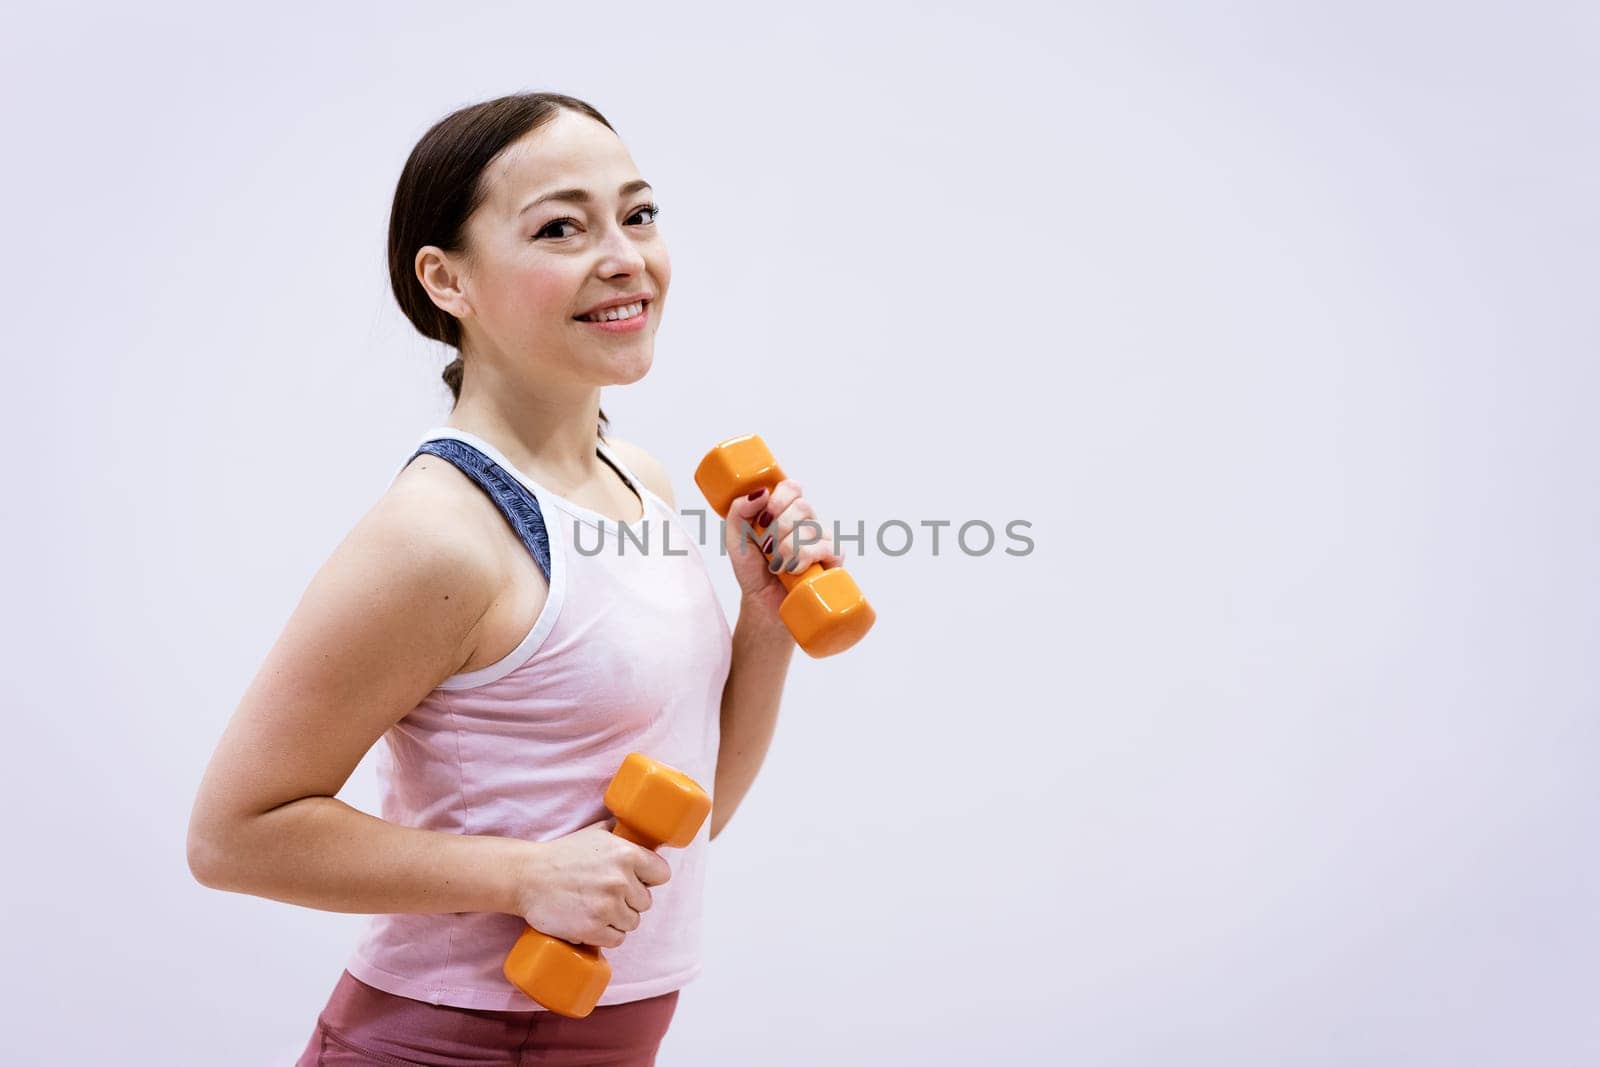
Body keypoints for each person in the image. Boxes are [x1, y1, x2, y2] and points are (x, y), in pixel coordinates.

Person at [186, 91, 844, 1066]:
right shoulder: (439, 534)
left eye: (639, 213)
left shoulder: (640, 481)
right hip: (448, 1044)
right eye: (560, 227)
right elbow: (232, 834)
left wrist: (766, 625)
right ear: (447, 279)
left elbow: (686, 823)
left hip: (613, 1038)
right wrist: (525, 873)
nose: (623, 254)